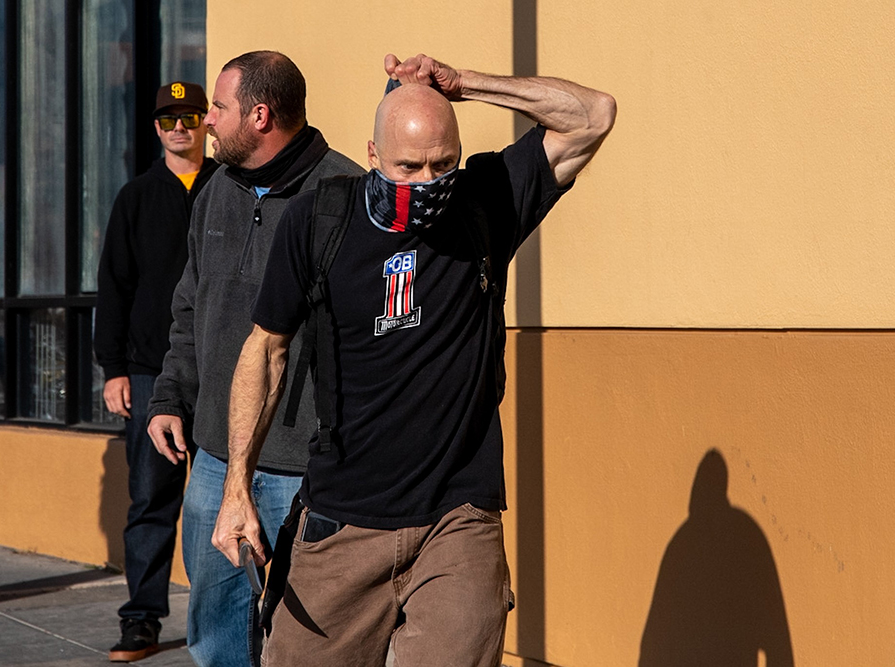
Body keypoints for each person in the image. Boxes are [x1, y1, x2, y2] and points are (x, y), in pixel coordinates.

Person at [217, 53, 617, 666]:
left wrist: (469, 84)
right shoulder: (320, 220)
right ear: (372, 154)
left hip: (457, 521)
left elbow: (593, 114)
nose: (428, 181)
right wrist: (236, 486)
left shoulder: (484, 202)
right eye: (408, 166)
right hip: (342, 522)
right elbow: (266, 349)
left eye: (442, 163)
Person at [146, 51, 363, 667]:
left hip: (305, 472)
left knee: (309, 643)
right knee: (215, 637)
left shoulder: (342, 196)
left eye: (218, 107)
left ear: (260, 115)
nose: (207, 121)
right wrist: (169, 396)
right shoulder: (215, 191)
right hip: (216, 460)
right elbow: (190, 305)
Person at [94, 80, 217, 663]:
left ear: (205, 124)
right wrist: (113, 368)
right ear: (157, 128)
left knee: (222, 498)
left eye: (189, 117)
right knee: (150, 499)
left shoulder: (231, 186)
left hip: (221, 370)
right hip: (147, 372)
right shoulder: (137, 197)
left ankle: (229, 616)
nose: (178, 128)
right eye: (168, 120)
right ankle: (141, 619)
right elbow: (114, 287)